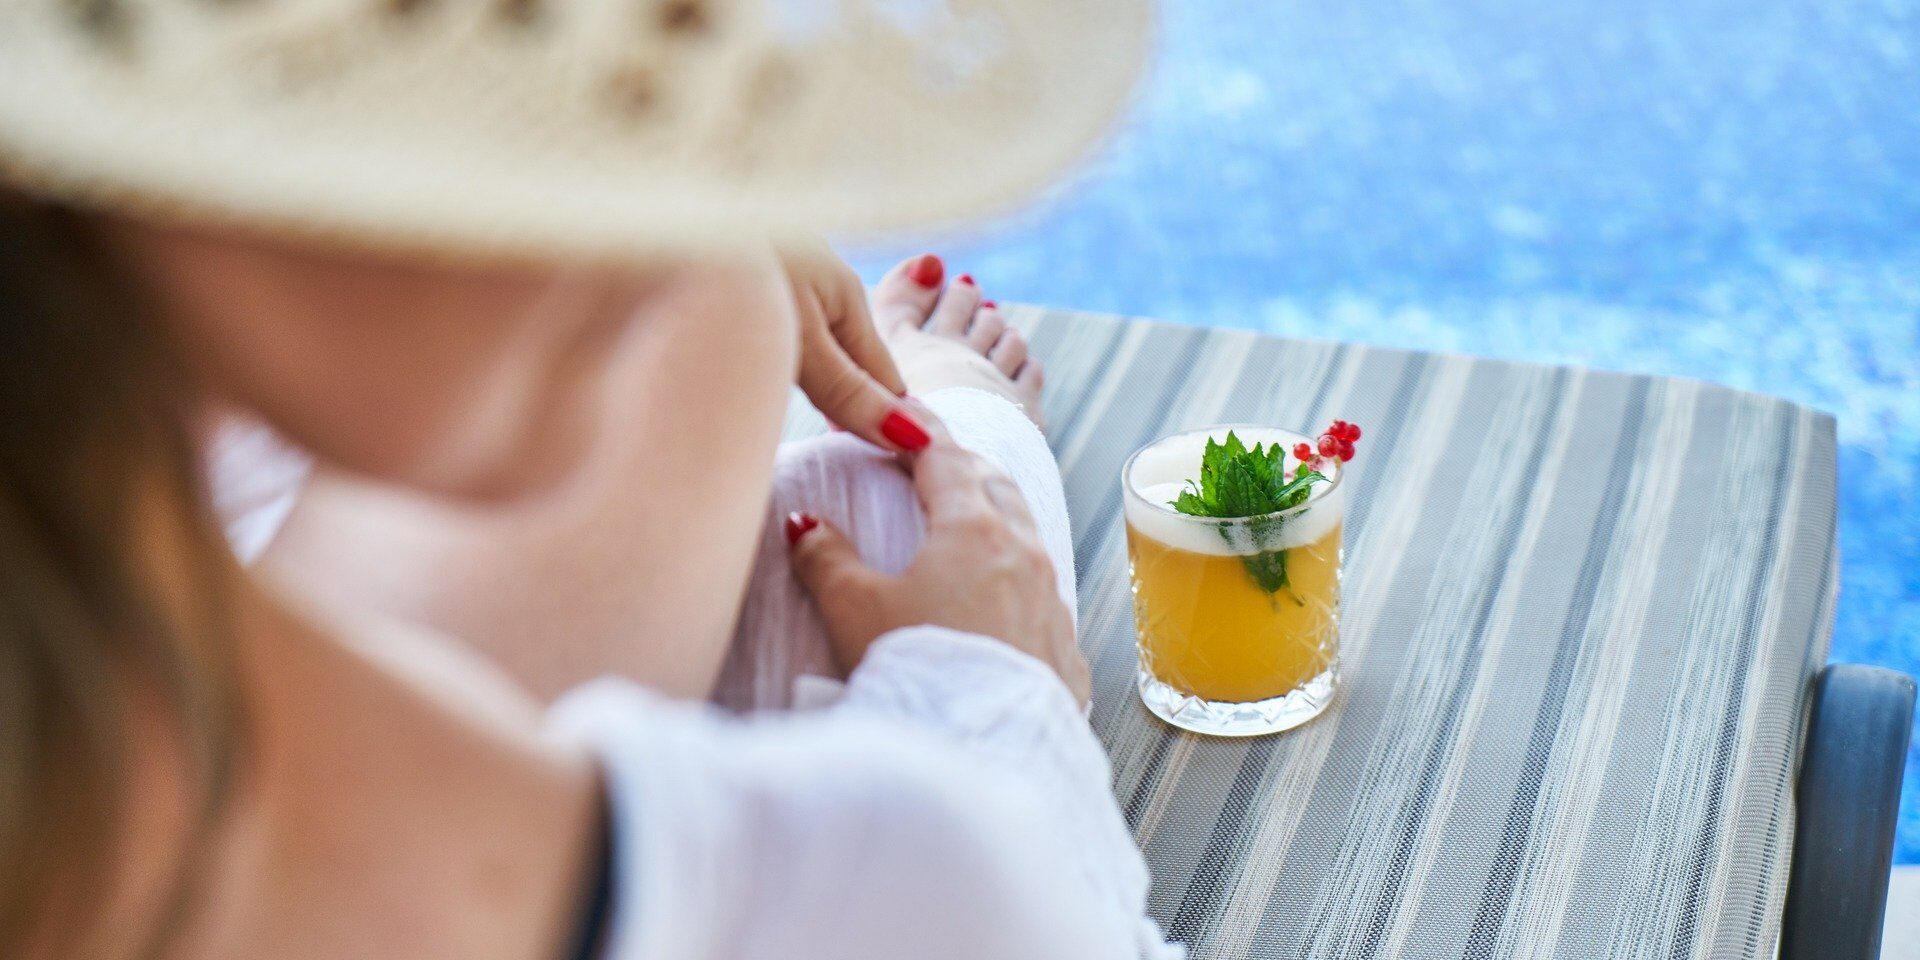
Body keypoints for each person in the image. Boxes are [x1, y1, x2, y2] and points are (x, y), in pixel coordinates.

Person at [0, 1, 1174, 959]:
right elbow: (1031, 905)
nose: (719, 178)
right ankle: (965, 430)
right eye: (537, 60)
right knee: (876, 494)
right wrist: (997, 697)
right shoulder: (912, 887)